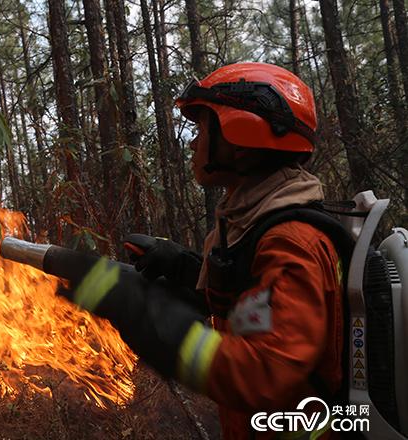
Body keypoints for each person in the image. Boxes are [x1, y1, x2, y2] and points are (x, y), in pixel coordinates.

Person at [59, 62, 344, 439]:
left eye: (203, 129)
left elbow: (266, 374)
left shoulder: (291, 241)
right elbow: (256, 303)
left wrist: (163, 328)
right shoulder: (253, 221)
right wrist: (189, 270)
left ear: (242, 139)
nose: (193, 143)